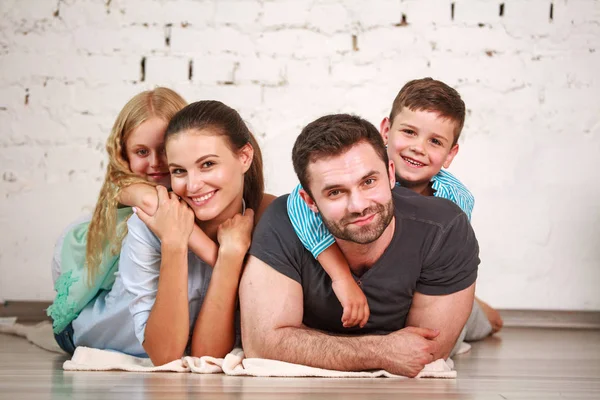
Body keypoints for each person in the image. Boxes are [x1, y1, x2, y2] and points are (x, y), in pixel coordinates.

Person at [240, 113, 478, 378]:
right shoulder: (282, 221)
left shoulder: (445, 226)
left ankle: (483, 311)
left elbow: (424, 353)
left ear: (390, 173)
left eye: (368, 181)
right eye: (335, 192)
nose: (359, 205)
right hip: (414, 294)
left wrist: (300, 340)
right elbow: (262, 344)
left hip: (437, 288)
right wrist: (380, 350)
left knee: (481, 322)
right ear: (309, 201)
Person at [56, 100, 274, 366]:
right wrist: (174, 243)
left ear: (244, 157)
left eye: (207, 164)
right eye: (179, 171)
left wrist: (230, 257)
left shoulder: (264, 219)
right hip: (86, 332)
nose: (193, 185)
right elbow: (166, 356)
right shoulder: (150, 220)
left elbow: (206, 357)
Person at [286, 77, 503, 335]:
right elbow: (296, 206)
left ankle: (480, 309)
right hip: (367, 284)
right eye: (409, 132)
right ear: (386, 131)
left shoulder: (453, 202)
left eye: (435, 142)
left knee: (490, 323)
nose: (417, 148)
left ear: (450, 154)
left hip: (424, 289)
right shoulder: (357, 170)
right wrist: (342, 278)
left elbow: (451, 255)